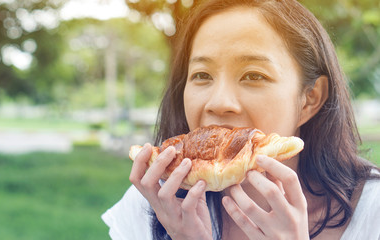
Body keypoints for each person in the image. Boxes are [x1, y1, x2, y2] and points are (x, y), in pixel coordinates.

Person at [102, 0, 380, 239]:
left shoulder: (373, 212)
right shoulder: (151, 205)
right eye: (202, 75)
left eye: (254, 75)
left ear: (310, 98)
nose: (219, 102)